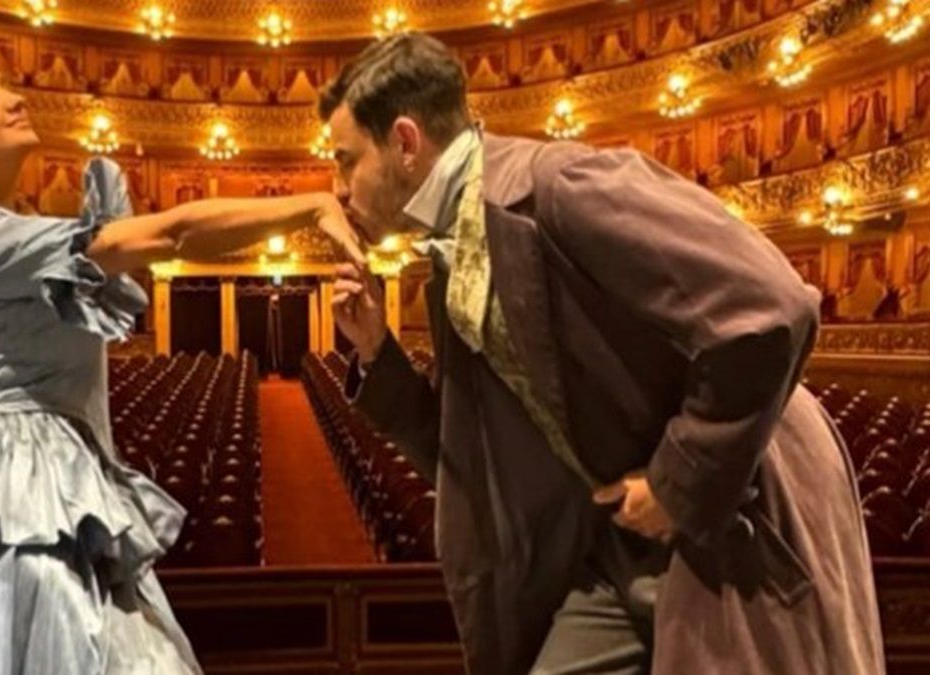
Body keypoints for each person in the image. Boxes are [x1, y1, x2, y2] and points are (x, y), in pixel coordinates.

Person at [325, 33, 884, 675]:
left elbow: (771, 308)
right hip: (616, 536)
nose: (337, 187)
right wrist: (378, 350)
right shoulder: (453, 259)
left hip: (733, 490)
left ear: (404, 142)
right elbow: (466, 454)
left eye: (346, 160)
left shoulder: (564, 185)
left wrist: (676, 486)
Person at [0, 44, 362, 674]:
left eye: (5, 84)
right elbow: (172, 233)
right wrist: (313, 204)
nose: (15, 97)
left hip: (0, 482)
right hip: (14, 490)